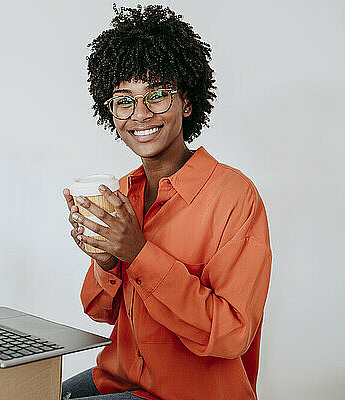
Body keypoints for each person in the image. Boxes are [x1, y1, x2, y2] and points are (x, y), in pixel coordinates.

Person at [61, 5, 272, 400]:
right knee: (21, 388)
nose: (140, 114)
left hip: (188, 394)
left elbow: (231, 334)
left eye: (158, 96)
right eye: (124, 100)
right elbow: (99, 312)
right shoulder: (122, 192)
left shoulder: (234, 197)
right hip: (121, 378)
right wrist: (106, 260)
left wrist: (137, 252)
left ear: (187, 104)